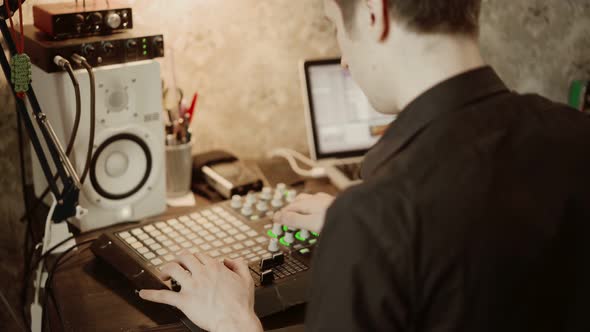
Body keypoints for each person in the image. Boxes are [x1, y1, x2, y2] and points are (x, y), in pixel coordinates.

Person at [139, 0, 590, 331]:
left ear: (375, 14)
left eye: (336, 26)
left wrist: (236, 322)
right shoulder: (576, 134)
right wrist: (360, 218)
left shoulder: (373, 219)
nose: (344, 58)